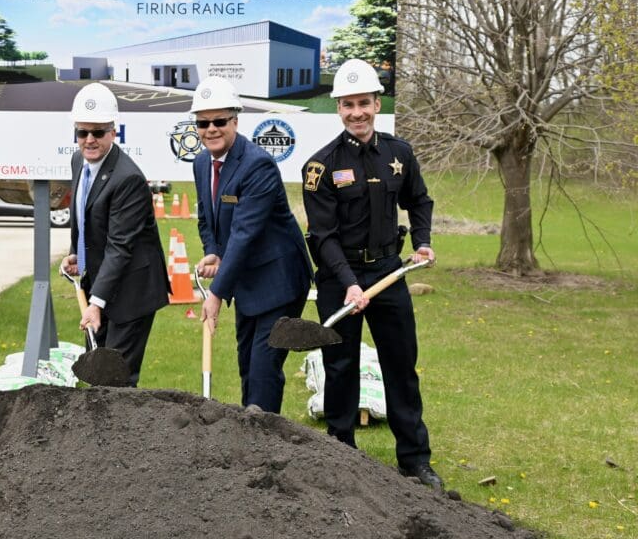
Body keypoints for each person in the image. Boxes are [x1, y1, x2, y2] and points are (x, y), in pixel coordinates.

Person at [301, 58, 442, 490]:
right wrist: (349, 285)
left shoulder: (400, 154)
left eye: (363, 102)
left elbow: (420, 201)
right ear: (338, 108)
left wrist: (421, 240)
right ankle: (341, 451)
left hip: (388, 271)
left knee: (401, 364)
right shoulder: (320, 166)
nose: (356, 112)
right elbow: (321, 236)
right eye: (347, 104)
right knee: (340, 366)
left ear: (377, 103)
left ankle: (414, 459)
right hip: (337, 276)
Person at [190, 76, 313, 414]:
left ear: (235, 121)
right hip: (247, 280)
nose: (211, 129)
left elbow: (245, 234)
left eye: (219, 121)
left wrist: (215, 294)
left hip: (280, 279)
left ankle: (264, 438)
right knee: (247, 362)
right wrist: (212, 249)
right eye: (203, 122)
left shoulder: (258, 165)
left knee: (263, 367)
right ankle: (252, 433)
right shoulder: (202, 164)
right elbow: (208, 218)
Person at [60, 83, 169, 386]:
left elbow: (120, 246)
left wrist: (96, 303)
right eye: (83, 132)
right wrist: (76, 254)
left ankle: (120, 433)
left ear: (113, 131)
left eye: (98, 132)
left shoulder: (127, 179)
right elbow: (84, 218)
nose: (89, 139)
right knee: (96, 370)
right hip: (103, 282)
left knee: (116, 378)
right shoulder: (78, 161)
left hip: (132, 290)